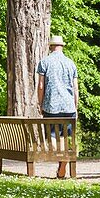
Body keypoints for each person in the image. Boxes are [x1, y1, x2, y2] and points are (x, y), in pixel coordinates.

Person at [36, 34, 78, 179]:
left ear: (50, 46)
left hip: (51, 106)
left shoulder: (44, 62)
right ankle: (63, 166)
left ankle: (63, 160)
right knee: (64, 138)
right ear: (62, 46)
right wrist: (75, 105)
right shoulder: (70, 63)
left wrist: (40, 103)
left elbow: (41, 86)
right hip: (69, 107)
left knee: (53, 137)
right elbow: (75, 87)